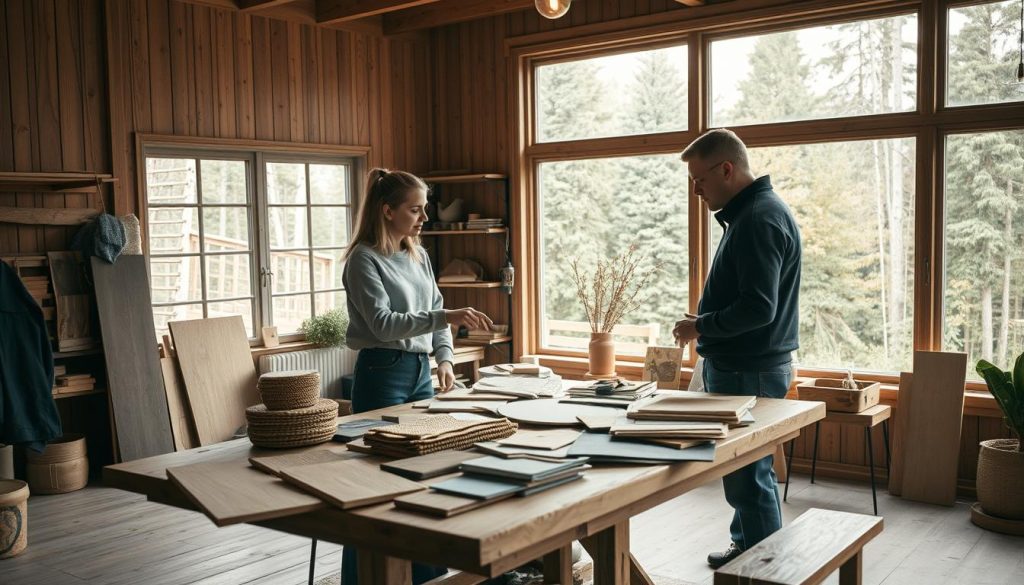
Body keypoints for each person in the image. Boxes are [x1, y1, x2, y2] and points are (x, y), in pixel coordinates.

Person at [340, 168, 493, 584]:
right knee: (372, 489)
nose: (424, 218)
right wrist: (445, 317)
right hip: (381, 374)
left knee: (423, 481)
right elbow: (385, 325)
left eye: (425, 209)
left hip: (422, 373)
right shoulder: (363, 260)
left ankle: (429, 577)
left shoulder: (419, 254)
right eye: (415, 209)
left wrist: (444, 358)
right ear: (387, 211)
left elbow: (437, 312)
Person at [672, 129, 802, 569]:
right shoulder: (752, 212)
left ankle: (767, 568)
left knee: (749, 476)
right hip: (748, 366)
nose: (695, 190)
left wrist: (701, 326)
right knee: (745, 471)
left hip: (749, 369)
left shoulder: (758, 219)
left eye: (699, 180)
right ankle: (748, 545)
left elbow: (758, 308)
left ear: (726, 169)